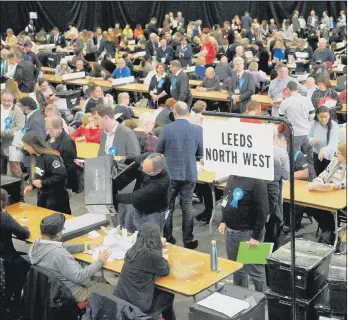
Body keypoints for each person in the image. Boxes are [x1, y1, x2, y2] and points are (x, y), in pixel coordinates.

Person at [29, 212, 113, 302]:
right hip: (75, 292)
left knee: (100, 279)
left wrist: (86, 246)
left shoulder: (37, 245)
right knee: (117, 290)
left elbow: (62, 246)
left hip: (55, 288)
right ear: (58, 234)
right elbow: (79, 276)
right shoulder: (58, 254)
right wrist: (100, 261)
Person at [155, 102, 202, 249]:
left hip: (170, 175)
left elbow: (158, 150)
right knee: (187, 207)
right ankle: (188, 240)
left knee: (167, 207)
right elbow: (200, 153)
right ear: (187, 113)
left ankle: (168, 237)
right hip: (189, 174)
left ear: (174, 112)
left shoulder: (167, 129)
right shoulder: (196, 130)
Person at [90, 105, 140, 226]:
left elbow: (136, 158)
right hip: (108, 182)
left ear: (106, 117)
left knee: (124, 218)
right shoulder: (103, 135)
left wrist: (120, 159)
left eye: (96, 119)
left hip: (124, 183)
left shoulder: (127, 133)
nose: (94, 122)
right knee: (112, 214)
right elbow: (101, 155)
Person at [218, 175, 269, 292]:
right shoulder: (232, 178)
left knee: (255, 271)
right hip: (231, 233)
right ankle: (240, 297)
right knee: (236, 268)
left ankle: (262, 299)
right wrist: (223, 221)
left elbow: (263, 211)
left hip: (249, 234)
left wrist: (256, 237)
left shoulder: (257, 182)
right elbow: (226, 199)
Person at [114, 223, 175, 319]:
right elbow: (165, 270)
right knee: (168, 295)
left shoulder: (133, 249)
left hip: (121, 301)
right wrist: (161, 253)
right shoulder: (152, 254)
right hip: (139, 306)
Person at [114, 153, 170, 232]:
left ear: (158, 171)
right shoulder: (149, 158)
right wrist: (122, 158)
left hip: (152, 214)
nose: (142, 170)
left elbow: (133, 197)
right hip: (135, 206)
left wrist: (111, 198)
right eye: (143, 165)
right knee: (129, 232)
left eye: (146, 171)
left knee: (149, 240)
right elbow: (136, 158)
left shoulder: (161, 183)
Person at [305, 143, 346, 245]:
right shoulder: (334, 162)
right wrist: (317, 182)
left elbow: (343, 183)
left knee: (321, 206)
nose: (337, 155)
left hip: (341, 197)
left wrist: (326, 186)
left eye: (339, 153)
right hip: (326, 192)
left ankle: (329, 231)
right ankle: (328, 229)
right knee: (309, 205)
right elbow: (324, 174)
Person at [22, 131, 71, 214]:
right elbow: (37, 175)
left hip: (56, 196)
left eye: (26, 145)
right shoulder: (35, 157)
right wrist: (32, 186)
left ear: (32, 145)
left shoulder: (50, 157)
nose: (24, 148)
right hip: (43, 195)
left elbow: (61, 174)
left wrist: (42, 182)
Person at [278, 81, 316, 180]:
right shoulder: (306, 100)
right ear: (298, 89)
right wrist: (306, 122)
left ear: (288, 90)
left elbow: (280, 118)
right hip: (307, 134)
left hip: (293, 135)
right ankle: (313, 180)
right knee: (309, 161)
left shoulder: (285, 102)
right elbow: (312, 115)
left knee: (295, 161)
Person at [0, 188, 31, 310]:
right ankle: (18, 296)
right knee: (28, 260)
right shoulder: (5, 218)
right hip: (6, 259)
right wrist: (23, 228)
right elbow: (25, 234)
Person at [0, 90, 25, 197]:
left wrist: (2, 133)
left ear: (13, 100)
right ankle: (3, 195)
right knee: (1, 171)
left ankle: (20, 194)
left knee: (16, 171)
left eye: (9, 101)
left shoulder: (18, 111)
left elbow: (19, 128)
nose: (6, 103)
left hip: (12, 145)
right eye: (4, 100)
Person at [46, 115, 78, 194]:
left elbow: (70, 167)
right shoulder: (50, 137)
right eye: (47, 129)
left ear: (59, 129)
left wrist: (67, 186)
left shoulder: (67, 142)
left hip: (60, 183)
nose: (48, 132)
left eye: (50, 129)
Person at [308, 106, 339, 176]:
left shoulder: (334, 126)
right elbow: (309, 136)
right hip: (317, 154)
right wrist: (311, 140)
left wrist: (324, 150)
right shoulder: (314, 123)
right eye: (321, 117)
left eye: (326, 117)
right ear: (317, 116)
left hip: (330, 156)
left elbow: (333, 144)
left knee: (329, 177)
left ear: (329, 116)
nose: (323, 119)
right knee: (319, 175)